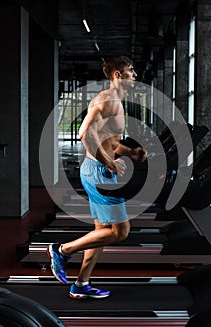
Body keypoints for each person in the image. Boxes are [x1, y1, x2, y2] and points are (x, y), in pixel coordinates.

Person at [47, 56, 147, 299]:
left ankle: (81, 284)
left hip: (94, 170)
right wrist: (109, 161)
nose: (134, 74)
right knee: (120, 231)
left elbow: (106, 141)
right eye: (130, 70)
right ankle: (62, 250)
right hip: (98, 172)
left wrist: (130, 152)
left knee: (101, 232)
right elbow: (84, 134)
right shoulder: (109, 101)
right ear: (117, 75)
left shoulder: (115, 102)